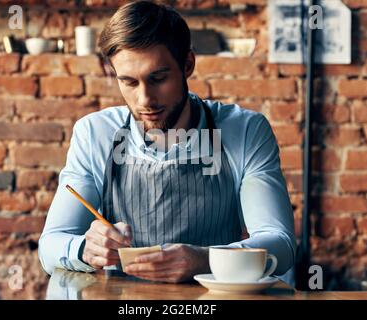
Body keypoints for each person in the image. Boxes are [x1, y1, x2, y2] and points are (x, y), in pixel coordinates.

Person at [39, 0, 296, 285]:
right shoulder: (95, 134)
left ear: (187, 64)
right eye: (129, 82)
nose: (145, 100)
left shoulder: (245, 131)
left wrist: (205, 259)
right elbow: (50, 245)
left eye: (158, 78)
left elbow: (281, 244)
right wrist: (86, 249)